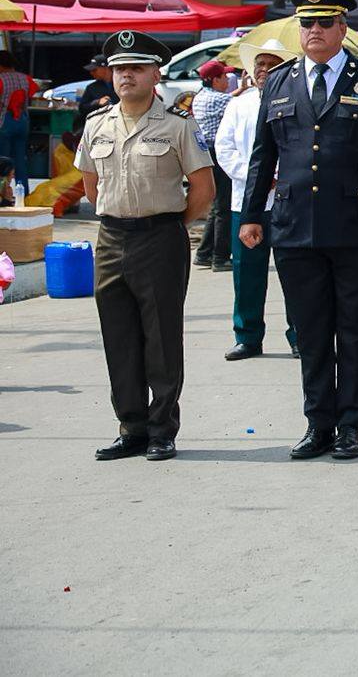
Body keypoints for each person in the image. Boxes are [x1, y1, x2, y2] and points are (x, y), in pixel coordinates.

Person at [241, 0, 358, 461]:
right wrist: (252, 214)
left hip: (355, 223)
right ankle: (318, 423)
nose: (313, 30)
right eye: (306, 23)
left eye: (323, 22)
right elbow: (263, 155)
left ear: (342, 28)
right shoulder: (278, 80)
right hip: (294, 225)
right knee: (311, 331)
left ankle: (350, 425)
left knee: (355, 331)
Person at [76, 30, 215, 462]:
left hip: (160, 238)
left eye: (136, 68)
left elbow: (203, 189)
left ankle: (161, 430)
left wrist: (170, 224)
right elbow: (91, 185)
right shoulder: (97, 124)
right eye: (119, 69)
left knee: (161, 338)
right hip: (111, 238)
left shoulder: (177, 124)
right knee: (118, 337)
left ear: (156, 74)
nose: (126, 76)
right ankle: (131, 428)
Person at [214, 38, 299, 361]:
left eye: (272, 64)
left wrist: (280, 177)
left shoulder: (297, 99)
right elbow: (224, 148)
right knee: (247, 273)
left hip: (288, 200)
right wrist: (256, 179)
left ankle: (300, 335)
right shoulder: (239, 104)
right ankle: (247, 336)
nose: (264, 70)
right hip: (247, 201)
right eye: (260, 64)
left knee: (295, 272)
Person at [191, 60, 235, 272]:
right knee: (224, 208)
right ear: (215, 80)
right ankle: (220, 257)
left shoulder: (200, 96)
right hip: (218, 154)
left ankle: (204, 253)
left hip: (206, 153)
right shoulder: (222, 99)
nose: (228, 80)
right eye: (224, 77)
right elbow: (238, 102)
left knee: (217, 207)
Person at [0, 50, 38, 194]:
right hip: (22, 121)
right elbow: (33, 91)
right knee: (20, 159)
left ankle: (3, 193)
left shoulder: (1, 79)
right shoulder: (25, 79)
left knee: (3, 160)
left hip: (4, 121)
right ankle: (24, 193)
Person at [73, 54, 116, 134]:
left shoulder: (121, 84)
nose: (91, 73)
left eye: (95, 70)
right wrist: (97, 102)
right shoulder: (92, 87)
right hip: (98, 128)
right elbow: (82, 108)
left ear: (106, 68)